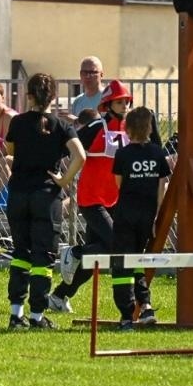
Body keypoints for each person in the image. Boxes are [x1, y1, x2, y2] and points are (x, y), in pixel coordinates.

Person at [5, 72, 86, 328]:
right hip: (46, 195)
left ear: (28, 96)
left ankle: (15, 314)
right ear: (53, 97)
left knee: (20, 254)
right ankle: (37, 316)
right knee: (43, 257)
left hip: (18, 194)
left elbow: (9, 152)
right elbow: (80, 156)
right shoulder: (62, 126)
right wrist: (63, 180)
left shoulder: (17, 123)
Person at [49, 80, 130, 312]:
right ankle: (73, 252)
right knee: (115, 244)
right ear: (108, 104)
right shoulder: (95, 127)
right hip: (91, 199)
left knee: (97, 256)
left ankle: (58, 296)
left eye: (126, 102)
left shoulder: (129, 128)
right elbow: (68, 149)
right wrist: (59, 175)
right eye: (119, 102)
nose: (124, 106)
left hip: (114, 199)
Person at [111, 107, 168, 328]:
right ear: (150, 128)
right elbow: (161, 186)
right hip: (148, 214)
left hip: (126, 212)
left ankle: (126, 315)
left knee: (122, 264)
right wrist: (156, 216)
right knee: (139, 259)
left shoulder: (122, 154)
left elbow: (119, 183)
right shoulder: (157, 153)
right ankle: (145, 305)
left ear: (127, 129)